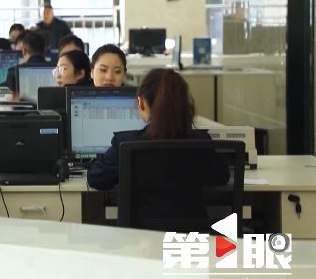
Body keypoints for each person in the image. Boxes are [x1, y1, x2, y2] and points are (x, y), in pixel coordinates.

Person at [87, 68, 229, 192]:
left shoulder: (126, 145)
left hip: (140, 217)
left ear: (141, 102)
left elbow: (96, 178)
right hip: (191, 217)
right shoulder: (201, 143)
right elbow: (222, 176)